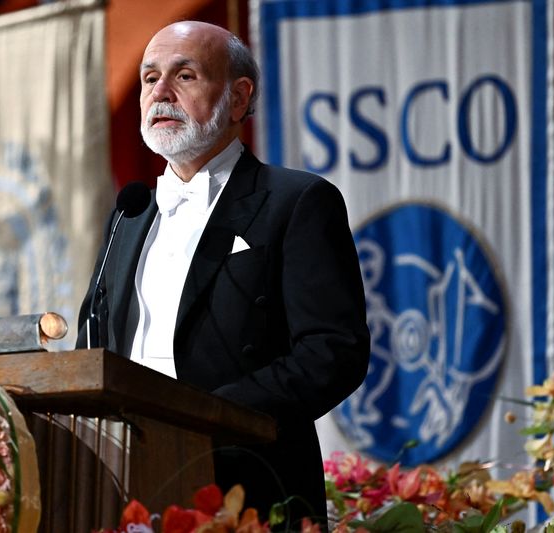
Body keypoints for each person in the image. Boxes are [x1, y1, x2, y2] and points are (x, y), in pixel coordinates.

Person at [77, 20, 370, 527]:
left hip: (248, 483)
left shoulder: (296, 202)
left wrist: (200, 418)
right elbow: (98, 344)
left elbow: (333, 353)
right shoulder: (130, 212)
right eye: (149, 79)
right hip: (124, 486)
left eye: (185, 76)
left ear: (237, 98)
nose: (160, 93)